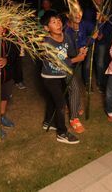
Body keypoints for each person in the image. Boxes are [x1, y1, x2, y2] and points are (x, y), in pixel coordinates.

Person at [40, 10, 86, 144]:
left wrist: (80, 52)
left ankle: (48, 121)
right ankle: (62, 133)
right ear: (47, 28)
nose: (58, 23)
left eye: (59, 20)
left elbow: (71, 52)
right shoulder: (46, 43)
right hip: (49, 77)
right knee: (60, 104)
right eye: (53, 22)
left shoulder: (66, 36)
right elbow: (59, 63)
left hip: (60, 76)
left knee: (51, 101)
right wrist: (77, 59)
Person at [64, 8, 91, 132]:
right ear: (68, 15)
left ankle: (75, 104)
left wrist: (82, 48)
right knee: (74, 88)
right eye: (74, 12)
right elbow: (63, 57)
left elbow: (82, 41)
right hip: (65, 65)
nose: (78, 14)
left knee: (75, 85)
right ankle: (73, 118)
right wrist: (78, 55)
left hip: (75, 62)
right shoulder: (65, 32)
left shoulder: (79, 27)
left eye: (80, 11)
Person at [83, 0, 112, 93]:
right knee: (87, 64)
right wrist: (94, 31)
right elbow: (86, 25)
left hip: (101, 41)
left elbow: (110, 26)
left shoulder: (107, 10)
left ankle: (100, 83)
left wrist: (103, 34)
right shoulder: (88, 10)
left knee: (100, 63)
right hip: (90, 40)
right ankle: (88, 83)